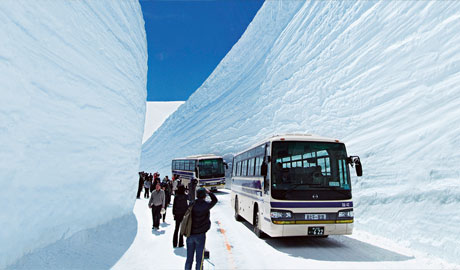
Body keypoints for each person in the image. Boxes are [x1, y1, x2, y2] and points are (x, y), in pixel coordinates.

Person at [185, 187, 217, 270]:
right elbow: (215, 200)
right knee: (199, 260)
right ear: (204, 195)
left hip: (190, 233)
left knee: (189, 259)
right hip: (201, 235)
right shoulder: (206, 205)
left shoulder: (192, 204)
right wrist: (209, 192)